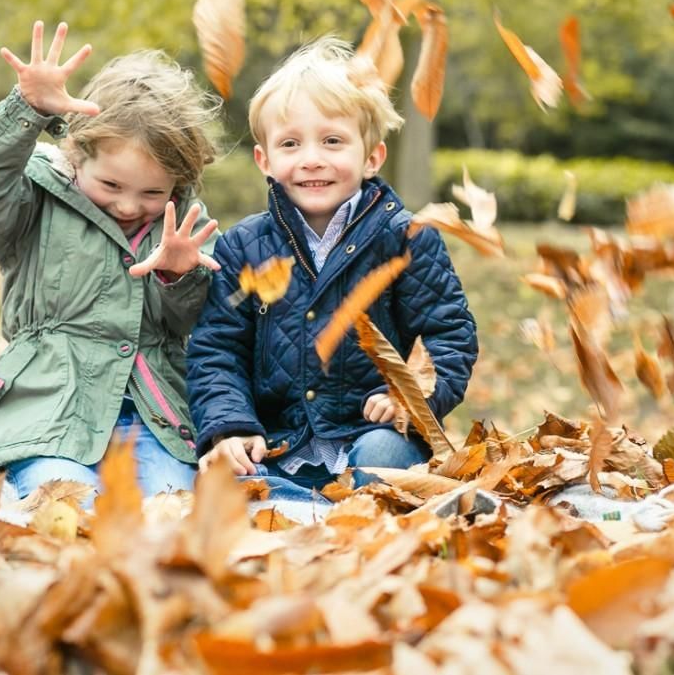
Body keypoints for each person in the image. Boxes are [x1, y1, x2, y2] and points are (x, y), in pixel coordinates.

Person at [0, 20, 221, 504]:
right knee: (68, 501)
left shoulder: (184, 229)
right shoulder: (33, 203)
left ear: (176, 184)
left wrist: (179, 274)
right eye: (111, 186)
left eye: (152, 192)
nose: (131, 206)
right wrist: (25, 109)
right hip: (48, 407)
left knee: (172, 505)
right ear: (77, 153)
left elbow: (188, 322)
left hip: (155, 415)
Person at [186, 36, 477, 497]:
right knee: (223, 479)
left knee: (381, 462)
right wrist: (230, 427)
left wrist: (410, 395)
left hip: (375, 435)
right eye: (290, 144)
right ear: (265, 160)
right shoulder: (244, 245)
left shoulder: (405, 239)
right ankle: (285, 507)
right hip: (278, 440)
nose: (312, 159)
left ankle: (360, 516)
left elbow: (450, 335)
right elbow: (217, 349)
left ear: (371, 157)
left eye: (333, 141)